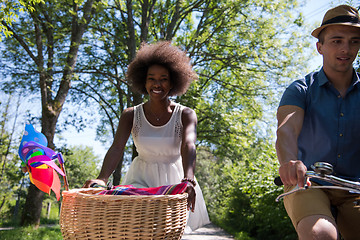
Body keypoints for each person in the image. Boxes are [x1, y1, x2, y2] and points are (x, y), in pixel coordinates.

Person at [83, 41, 210, 231]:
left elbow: (188, 145)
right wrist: (102, 178)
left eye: (163, 79)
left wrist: (189, 179)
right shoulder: (130, 115)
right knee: (137, 229)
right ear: (143, 81)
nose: (157, 84)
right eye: (151, 78)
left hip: (175, 179)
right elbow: (117, 147)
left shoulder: (186, 114)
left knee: (168, 231)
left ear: (173, 81)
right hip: (140, 179)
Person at [276, 4, 360, 240]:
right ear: (319, 47)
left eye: (354, 41)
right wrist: (290, 161)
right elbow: (287, 130)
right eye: (337, 40)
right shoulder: (301, 89)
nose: (346, 48)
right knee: (321, 235)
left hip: (355, 189)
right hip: (309, 183)